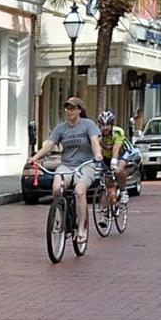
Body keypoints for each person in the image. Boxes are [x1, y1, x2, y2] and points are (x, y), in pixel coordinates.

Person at [29, 96, 103, 242]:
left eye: (73, 108)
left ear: (80, 110)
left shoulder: (88, 125)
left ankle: (81, 228)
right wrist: (34, 157)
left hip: (85, 164)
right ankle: (59, 217)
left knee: (79, 191)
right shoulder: (60, 128)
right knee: (56, 188)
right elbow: (49, 145)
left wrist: (98, 154)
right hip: (67, 164)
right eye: (68, 108)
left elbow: (94, 141)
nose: (70, 111)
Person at [96, 110, 134, 210]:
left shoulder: (118, 132)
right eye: (103, 125)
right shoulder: (96, 135)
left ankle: (123, 191)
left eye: (108, 125)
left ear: (112, 125)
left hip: (123, 153)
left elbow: (116, 149)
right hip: (107, 156)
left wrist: (113, 163)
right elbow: (97, 150)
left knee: (118, 170)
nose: (105, 128)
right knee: (108, 182)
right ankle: (108, 211)